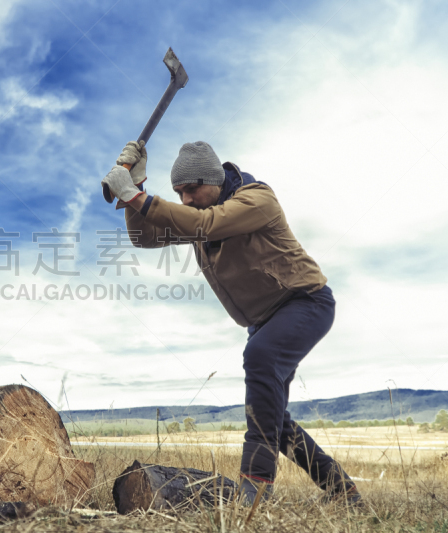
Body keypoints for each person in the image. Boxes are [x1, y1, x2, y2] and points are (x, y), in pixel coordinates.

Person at [101, 140, 361, 507]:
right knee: (271, 417)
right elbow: (142, 236)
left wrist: (133, 195)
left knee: (260, 356)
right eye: (178, 192)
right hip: (264, 321)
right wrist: (136, 187)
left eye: (191, 188)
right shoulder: (196, 216)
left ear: (214, 180)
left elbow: (208, 223)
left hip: (305, 302)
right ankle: (343, 491)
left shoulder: (256, 200)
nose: (186, 198)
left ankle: (255, 489)